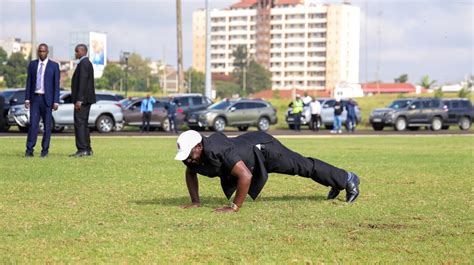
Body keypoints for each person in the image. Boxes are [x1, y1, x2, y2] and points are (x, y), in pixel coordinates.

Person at [175, 130, 361, 213]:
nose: (188, 160)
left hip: (264, 149)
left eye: (190, 154)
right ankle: (335, 181)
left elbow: (245, 176)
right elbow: (190, 172)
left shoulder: (217, 149)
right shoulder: (193, 157)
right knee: (303, 166)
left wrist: (234, 207)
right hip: (247, 150)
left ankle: (348, 178)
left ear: (199, 146)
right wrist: (195, 202)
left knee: (302, 166)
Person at [24, 43, 60, 158]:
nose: (42, 53)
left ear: (47, 52)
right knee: (33, 126)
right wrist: (27, 99)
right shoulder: (33, 65)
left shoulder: (54, 66)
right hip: (35, 99)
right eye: (40, 51)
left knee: (47, 127)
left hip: (47, 101)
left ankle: (45, 151)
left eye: (44, 51)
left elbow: (56, 85)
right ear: (38, 52)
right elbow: (29, 82)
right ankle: (29, 150)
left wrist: (56, 101)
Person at [70, 44, 96, 157]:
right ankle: (87, 148)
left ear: (82, 51)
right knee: (83, 124)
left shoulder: (84, 63)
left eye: (76, 51)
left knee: (79, 124)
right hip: (85, 99)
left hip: (83, 100)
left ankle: (82, 149)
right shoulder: (86, 63)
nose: (75, 53)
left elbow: (83, 83)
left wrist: (79, 100)